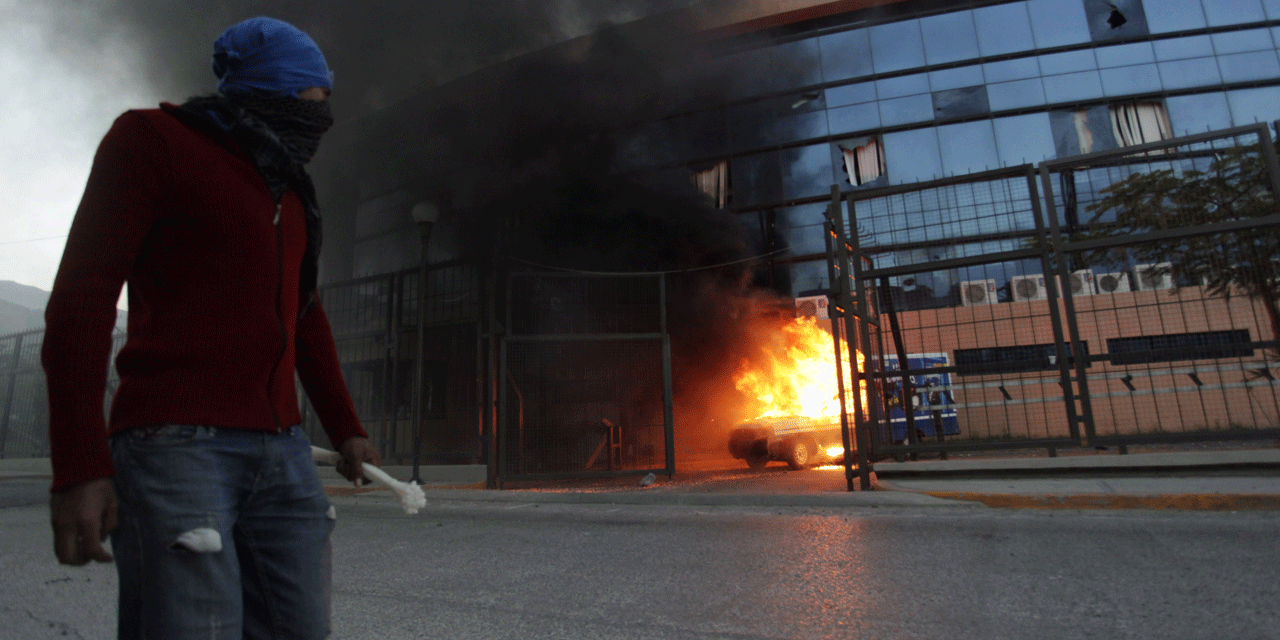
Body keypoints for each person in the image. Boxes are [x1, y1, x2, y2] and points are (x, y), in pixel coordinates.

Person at [42, 16, 379, 639]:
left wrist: (346, 428)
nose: (323, 112)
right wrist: (81, 465)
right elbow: (81, 303)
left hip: (282, 449)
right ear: (275, 88)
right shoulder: (151, 140)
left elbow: (304, 315)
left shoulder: (288, 185)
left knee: (300, 628)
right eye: (313, 94)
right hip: (176, 446)